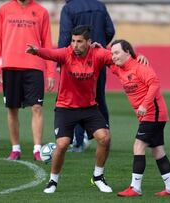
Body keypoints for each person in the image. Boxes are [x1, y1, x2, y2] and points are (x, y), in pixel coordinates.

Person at [26, 25, 114, 194]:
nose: (75, 45)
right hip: (65, 107)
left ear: (88, 42)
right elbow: (51, 53)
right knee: (63, 143)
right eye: (73, 41)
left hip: (89, 107)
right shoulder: (66, 53)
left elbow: (117, 58)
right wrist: (37, 51)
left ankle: (98, 177)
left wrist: (136, 58)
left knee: (104, 138)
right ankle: (53, 180)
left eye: (79, 41)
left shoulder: (98, 54)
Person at [109, 40, 170, 197]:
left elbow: (154, 84)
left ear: (127, 51)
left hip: (153, 113)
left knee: (138, 145)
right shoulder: (119, 68)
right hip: (151, 115)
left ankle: (135, 188)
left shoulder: (140, 67)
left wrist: (144, 105)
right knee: (157, 150)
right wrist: (97, 47)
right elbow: (102, 57)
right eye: (112, 53)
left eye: (116, 53)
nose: (113, 56)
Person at [0, 0, 56, 161]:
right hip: (10, 67)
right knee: (12, 109)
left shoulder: (41, 12)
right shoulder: (4, 10)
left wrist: (50, 73)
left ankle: (37, 150)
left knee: (37, 108)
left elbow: (47, 43)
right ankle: (15, 149)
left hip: (34, 67)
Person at [58, 0, 115, 152]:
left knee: (75, 99)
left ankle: (78, 140)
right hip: (98, 59)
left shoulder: (69, 8)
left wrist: (60, 62)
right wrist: (98, 47)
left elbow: (65, 34)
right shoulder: (100, 6)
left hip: (75, 61)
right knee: (99, 97)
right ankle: (105, 135)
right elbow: (110, 30)